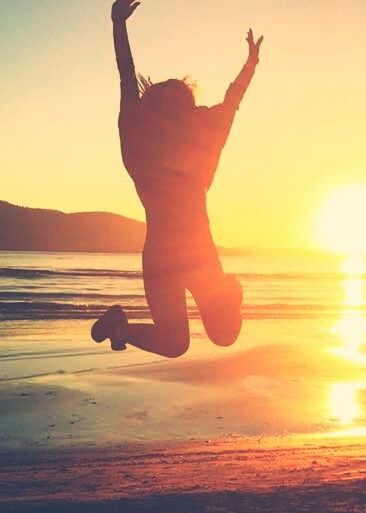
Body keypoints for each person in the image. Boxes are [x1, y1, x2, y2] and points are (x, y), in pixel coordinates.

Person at [92, 0, 262, 356]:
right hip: (178, 255)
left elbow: (233, 100)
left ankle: (121, 327)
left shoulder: (187, 145)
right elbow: (126, 75)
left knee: (224, 334)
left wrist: (251, 65)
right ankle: (119, 326)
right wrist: (117, 24)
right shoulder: (144, 142)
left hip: (181, 254)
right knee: (175, 343)